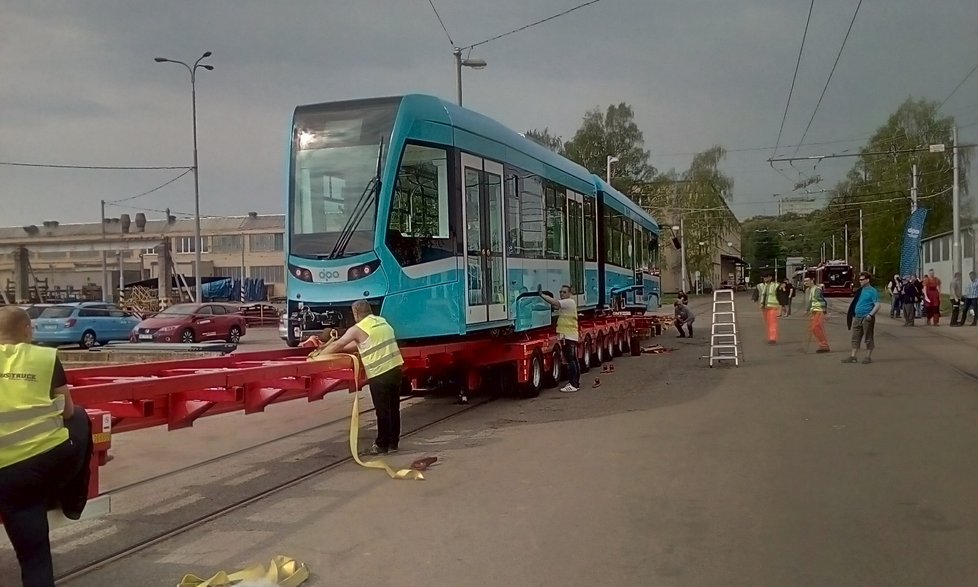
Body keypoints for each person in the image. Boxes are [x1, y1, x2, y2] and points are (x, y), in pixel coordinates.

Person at [0, 306, 92, 587]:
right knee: (80, 418)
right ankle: (74, 499)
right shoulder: (43, 357)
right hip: (32, 470)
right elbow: (66, 411)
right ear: (27, 330)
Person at [303, 300, 404, 455]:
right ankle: (393, 442)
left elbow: (339, 344)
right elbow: (361, 344)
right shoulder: (381, 322)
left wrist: (319, 356)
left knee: (382, 410)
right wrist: (334, 348)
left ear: (356, 313)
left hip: (379, 373)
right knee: (393, 408)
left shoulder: (358, 328)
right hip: (395, 369)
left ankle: (381, 445)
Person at [540, 284, 580, 393]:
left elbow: (555, 303)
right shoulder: (568, 304)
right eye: (560, 292)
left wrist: (542, 295)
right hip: (570, 335)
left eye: (564, 292)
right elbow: (555, 306)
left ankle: (573, 384)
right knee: (573, 360)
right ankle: (575, 383)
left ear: (569, 294)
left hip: (568, 336)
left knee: (570, 360)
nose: (562, 294)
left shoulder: (569, 302)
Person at [843, 272, 880, 364]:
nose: (860, 281)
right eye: (859, 280)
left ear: (867, 280)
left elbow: (877, 305)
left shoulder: (872, 291)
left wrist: (870, 315)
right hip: (857, 317)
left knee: (868, 337)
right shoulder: (860, 290)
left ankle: (868, 356)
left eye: (862, 280)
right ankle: (853, 356)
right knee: (855, 337)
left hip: (867, 318)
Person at [803, 276, 830, 353]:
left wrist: (825, 313)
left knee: (816, 328)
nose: (806, 283)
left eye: (807, 281)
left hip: (819, 311)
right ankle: (823, 345)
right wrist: (807, 310)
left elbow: (823, 301)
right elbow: (811, 301)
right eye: (805, 281)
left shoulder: (816, 289)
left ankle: (824, 345)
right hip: (814, 311)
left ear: (812, 280)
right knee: (814, 328)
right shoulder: (810, 290)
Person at [753, 272, 780, 344]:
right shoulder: (760, 286)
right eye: (764, 277)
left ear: (771, 277)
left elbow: (781, 295)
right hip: (764, 307)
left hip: (772, 307)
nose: (765, 278)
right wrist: (755, 298)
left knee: (772, 322)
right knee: (768, 322)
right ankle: (771, 336)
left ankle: (772, 338)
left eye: (767, 277)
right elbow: (756, 294)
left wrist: (782, 305)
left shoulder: (776, 285)